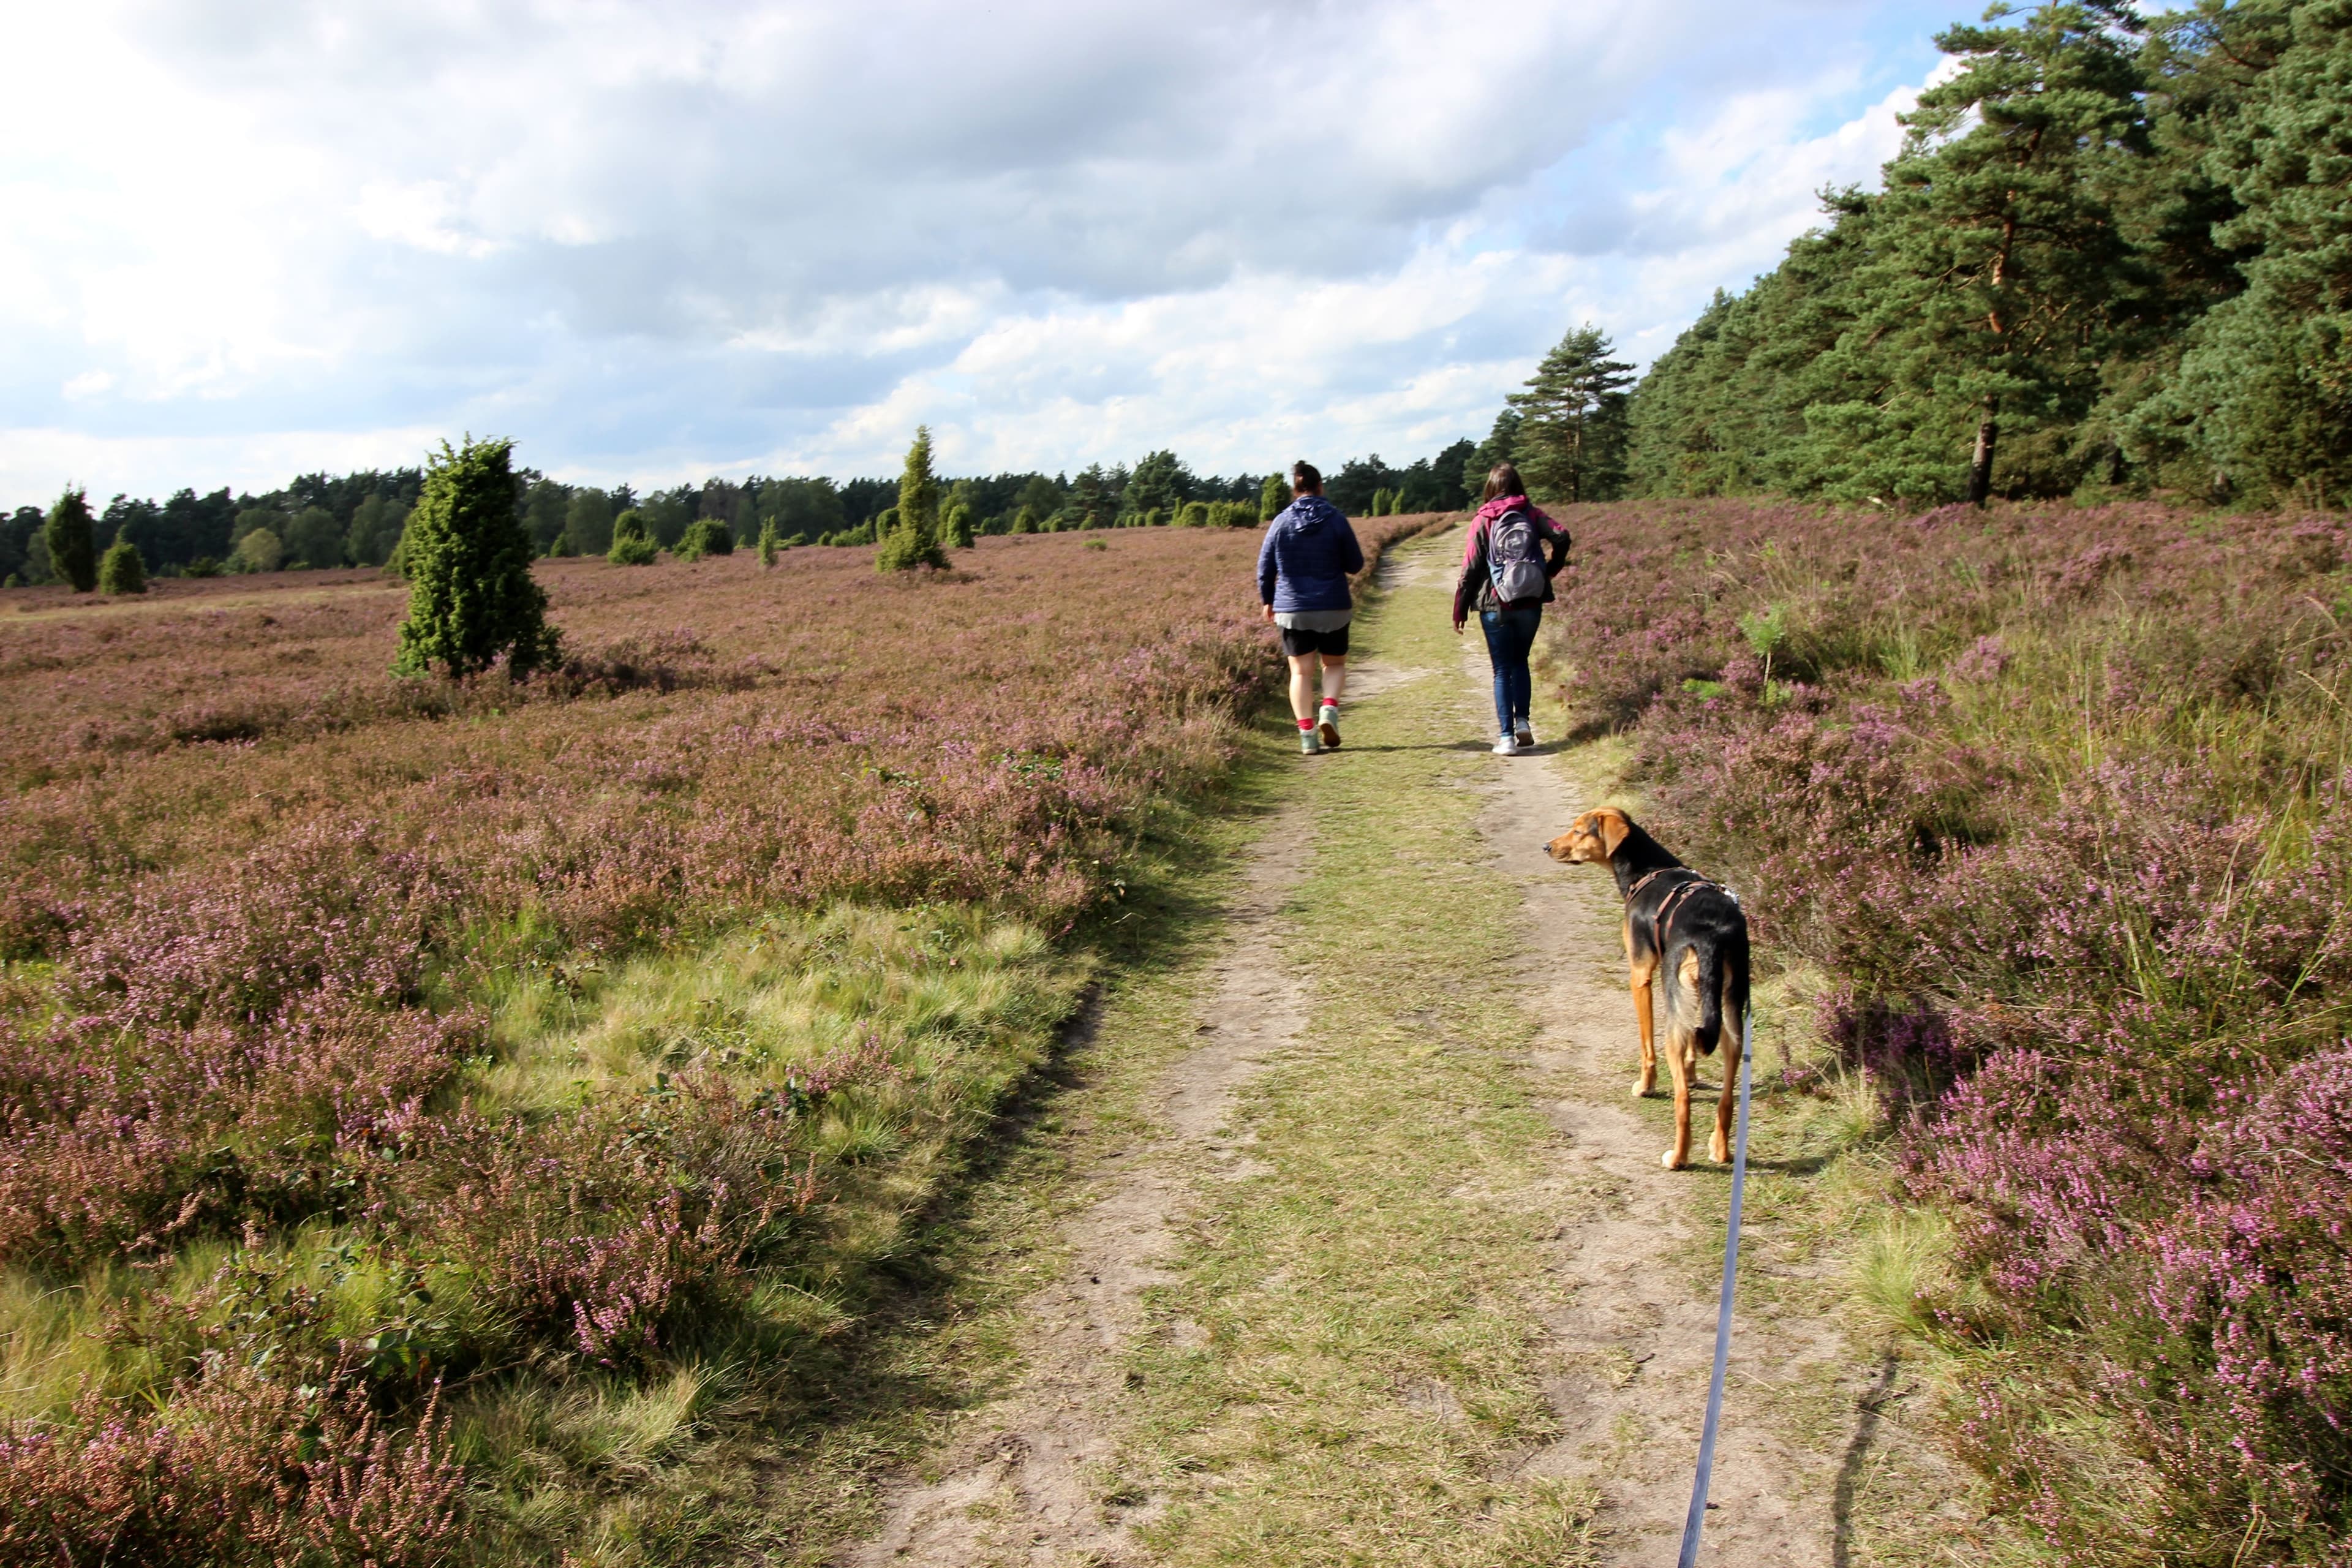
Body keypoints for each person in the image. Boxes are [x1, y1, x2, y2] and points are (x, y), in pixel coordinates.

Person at [1452, 461, 1570, 755]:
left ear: (1490, 488)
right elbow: (1562, 535)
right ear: (1518, 485)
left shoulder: (1484, 519)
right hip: (1531, 599)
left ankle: (1506, 738)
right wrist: (1549, 570)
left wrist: (1461, 608)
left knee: (1502, 669)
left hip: (1496, 603)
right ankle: (1523, 724)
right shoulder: (1531, 513)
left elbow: (1471, 567)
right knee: (1521, 661)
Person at [1257, 460, 1365, 755]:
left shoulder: (1280, 522)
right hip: (1333, 604)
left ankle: (1307, 736)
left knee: (1301, 673)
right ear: (1321, 487)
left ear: (1296, 490)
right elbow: (1356, 565)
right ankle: (1328, 710)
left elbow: (1265, 567)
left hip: (1293, 608)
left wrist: (1267, 599)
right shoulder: (1337, 519)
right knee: (1334, 664)